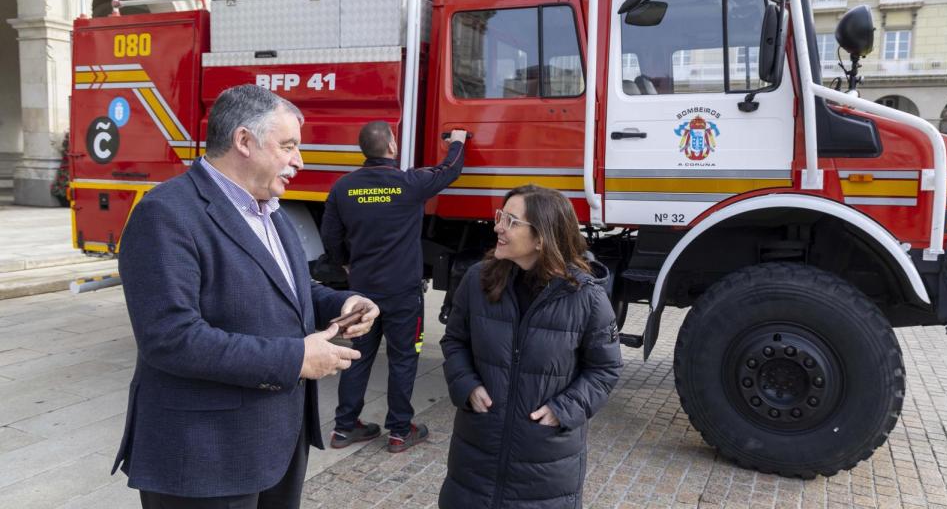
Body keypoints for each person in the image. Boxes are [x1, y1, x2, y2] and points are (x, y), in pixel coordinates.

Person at [112, 84, 380, 509]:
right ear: (243, 141)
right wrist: (295, 359)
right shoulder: (166, 213)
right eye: (289, 146)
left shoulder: (272, 212)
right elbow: (171, 338)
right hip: (206, 459)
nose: (299, 161)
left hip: (278, 445)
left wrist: (341, 303)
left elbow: (289, 287)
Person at [439, 185, 623, 508]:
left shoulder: (586, 298)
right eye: (500, 216)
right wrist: (466, 384)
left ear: (541, 238)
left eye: (511, 221)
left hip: (545, 473)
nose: (498, 227)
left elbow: (605, 369)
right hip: (475, 461)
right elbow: (454, 341)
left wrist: (564, 410)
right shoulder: (477, 280)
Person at [320, 121, 467, 452]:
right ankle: (400, 430)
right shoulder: (409, 182)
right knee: (404, 358)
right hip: (403, 293)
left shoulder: (343, 187)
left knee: (357, 356)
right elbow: (449, 171)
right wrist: (457, 142)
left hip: (360, 292)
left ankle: (344, 429)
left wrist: (343, 260)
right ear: (391, 148)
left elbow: (330, 235)